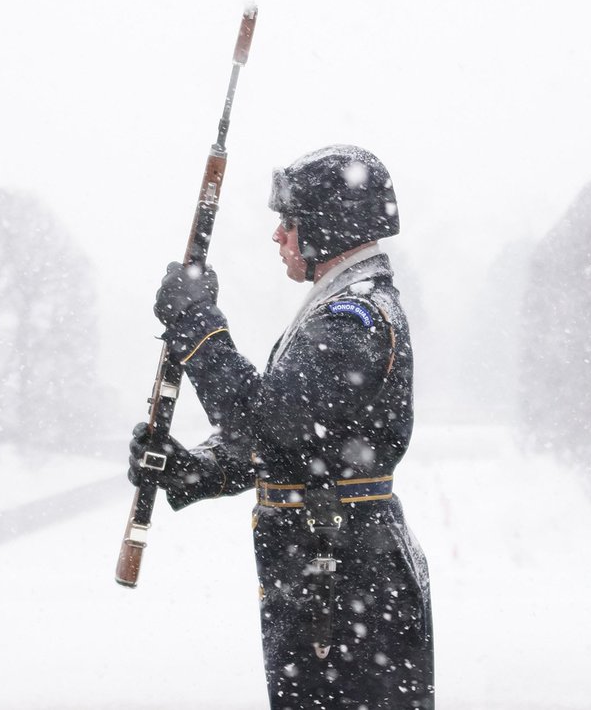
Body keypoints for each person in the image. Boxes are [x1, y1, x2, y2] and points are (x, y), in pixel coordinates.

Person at [129, 144, 434, 709]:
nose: (278, 237)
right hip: (336, 577)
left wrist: (199, 330)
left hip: (344, 584)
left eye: (288, 223)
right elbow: (296, 446)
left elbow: (278, 427)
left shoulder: (354, 318)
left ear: (326, 227)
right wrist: (192, 470)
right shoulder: (340, 305)